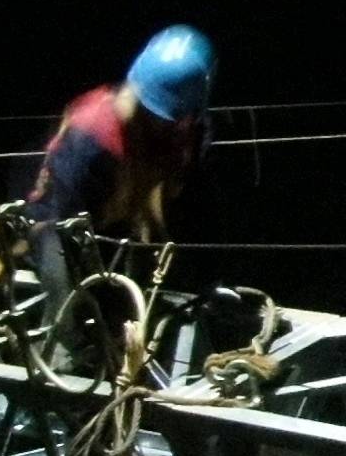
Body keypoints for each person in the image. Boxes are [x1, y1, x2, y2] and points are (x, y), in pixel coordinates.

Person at [20, 26, 214, 301]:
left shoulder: (186, 126)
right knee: (71, 301)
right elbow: (61, 216)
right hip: (60, 220)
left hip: (120, 214)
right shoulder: (90, 134)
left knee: (172, 286)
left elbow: (182, 195)